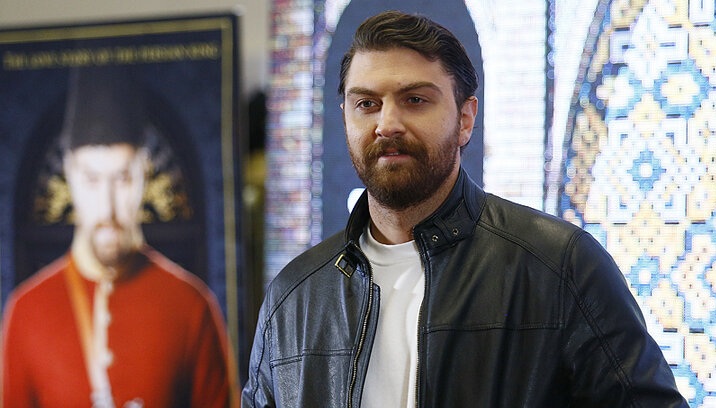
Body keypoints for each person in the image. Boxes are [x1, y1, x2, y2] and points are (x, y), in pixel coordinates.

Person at [242, 10, 688, 408]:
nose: (387, 124)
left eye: (415, 100)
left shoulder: (561, 267)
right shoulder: (293, 298)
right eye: (367, 104)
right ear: (345, 116)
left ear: (465, 119)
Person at [1, 66, 239, 407]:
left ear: (145, 172)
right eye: (92, 180)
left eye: (123, 178)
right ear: (68, 174)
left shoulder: (191, 305)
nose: (108, 206)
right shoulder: (27, 311)